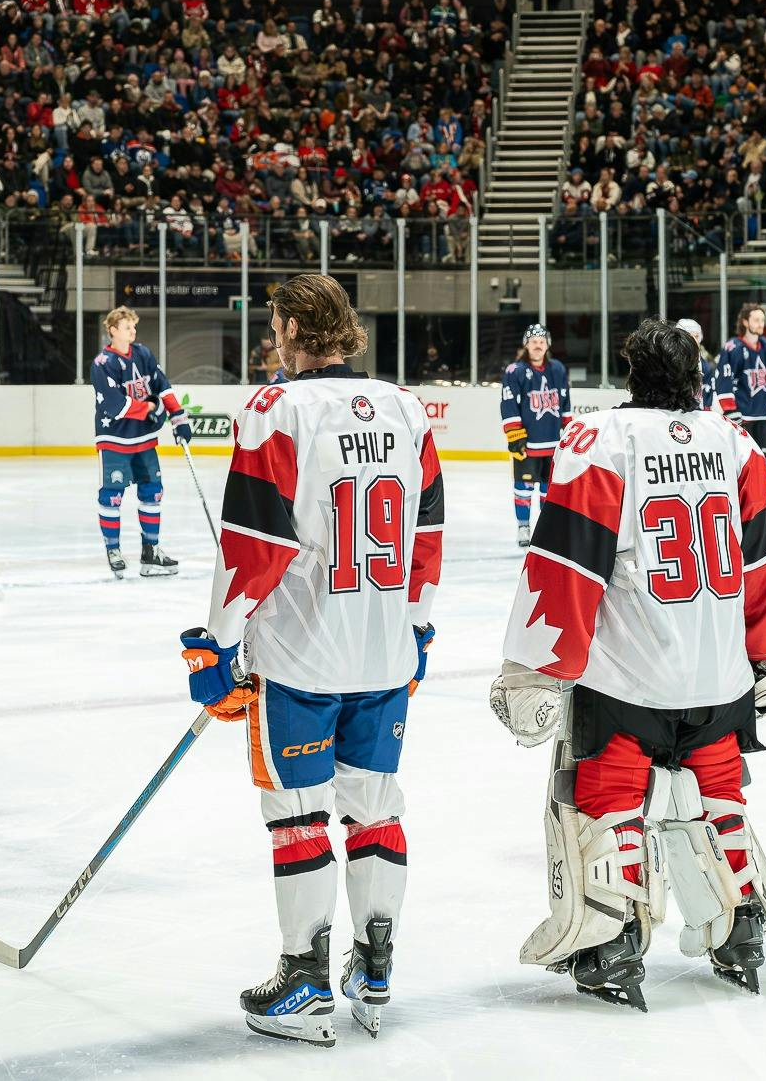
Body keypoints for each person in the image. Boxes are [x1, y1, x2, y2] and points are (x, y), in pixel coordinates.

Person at [490, 317, 766, 1007]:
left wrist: (533, 667)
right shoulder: (732, 442)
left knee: (605, 802)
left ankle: (611, 943)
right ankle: (742, 926)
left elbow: (566, 561)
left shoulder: (602, 438)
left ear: (630, 371)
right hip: (719, 675)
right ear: (697, 374)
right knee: (719, 797)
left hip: (629, 677)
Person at [184, 273, 442, 1045]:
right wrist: (419, 630)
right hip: (386, 648)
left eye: (275, 324)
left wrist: (215, 642)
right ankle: (375, 965)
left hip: (300, 652)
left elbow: (255, 543)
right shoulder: (403, 406)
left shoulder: (278, 408)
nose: (273, 337)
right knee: (376, 802)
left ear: (296, 326)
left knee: (298, 811)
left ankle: (303, 979)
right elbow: (426, 533)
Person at [91, 307, 190, 579]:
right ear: (112, 330)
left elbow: (163, 386)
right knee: (112, 494)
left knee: (153, 491)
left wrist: (178, 418)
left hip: (144, 440)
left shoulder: (143, 354)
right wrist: (148, 409)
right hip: (114, 440)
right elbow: (114, 405)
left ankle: (151, 551)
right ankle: (114, 550)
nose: (132, 331)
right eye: (126, 327)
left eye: (134, 326)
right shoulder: (102, 363)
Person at [499, 323, 571, 548]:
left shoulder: (558, 369)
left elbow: (565, 401)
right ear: (526, 344)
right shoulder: (515, 371)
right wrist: (515, 436)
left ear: (547, 344)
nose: (538, 346)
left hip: (552, 443)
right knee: (523, 487)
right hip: (527, 443)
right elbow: (508, 403)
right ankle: (523, 526)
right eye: (533, 342)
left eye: (541, 342)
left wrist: (568, 431)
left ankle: (543, 528)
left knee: (548, 489)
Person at [714, 304, 766, 457]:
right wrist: (730, 410)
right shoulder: (732, 348)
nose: (760, 324)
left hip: (764, 416)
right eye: (756, 320)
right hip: (743, 418)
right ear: (745, 322)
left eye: (762, 320)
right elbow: (724, 381)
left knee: (765, 462)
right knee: (745, 461)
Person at [677, 317, 715, 409]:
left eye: (697, 336)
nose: (694, 340)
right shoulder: (672, 362)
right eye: (690, 336)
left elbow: (707, 396)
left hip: (697, 414)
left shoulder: (705, 365)